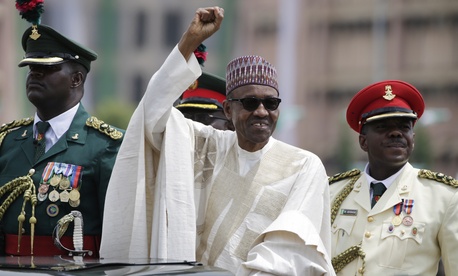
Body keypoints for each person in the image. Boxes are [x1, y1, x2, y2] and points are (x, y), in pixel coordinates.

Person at [100, 6, 335, 275]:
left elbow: (290, 250)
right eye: (249, 102)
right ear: (228, 111)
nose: (261, 111)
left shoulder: (304, 166)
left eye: (271, 103)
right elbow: (151, 111)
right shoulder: (204, 145)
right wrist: (190, 39)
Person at [0, 20, 124, 256]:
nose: (35, 73)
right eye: (32, 68)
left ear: (76, 79)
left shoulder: (107, 146)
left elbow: (118, 232)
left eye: (47, 68)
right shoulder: (7, 141)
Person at [329, 80, 458, 275]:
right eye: (383, 127)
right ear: (363, 141)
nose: (396, 133)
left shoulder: (443, 197)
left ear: (413, 139)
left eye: (404, 127)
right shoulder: (332, 193)